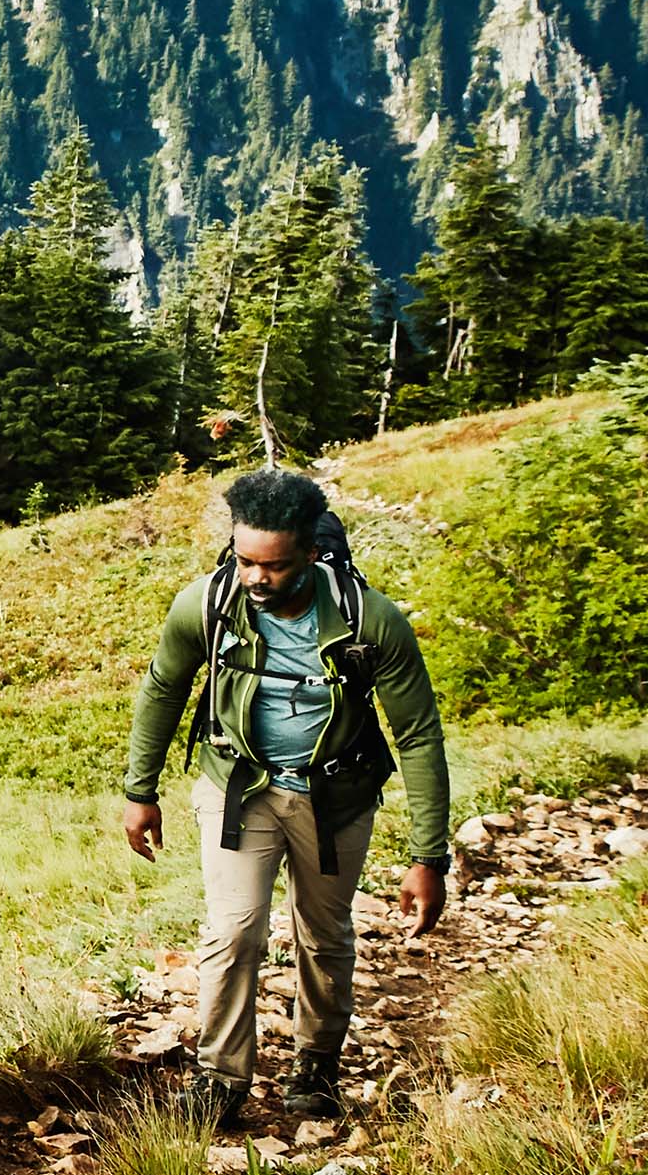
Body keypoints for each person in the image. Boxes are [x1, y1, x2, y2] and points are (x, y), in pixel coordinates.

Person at [117, 466, 450, 1131]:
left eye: (272, 566)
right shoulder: (206, 603)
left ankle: (317, 1066)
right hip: (239, 787)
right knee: (235, 930)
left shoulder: (370, 619)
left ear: (310, 553)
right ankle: (219, 1079)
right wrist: (140, 790)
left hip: (337, 795)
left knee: (323, 936)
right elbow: (162, 688)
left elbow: (417, 733)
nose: (255, 578)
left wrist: (428, 857)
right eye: (244, 561)